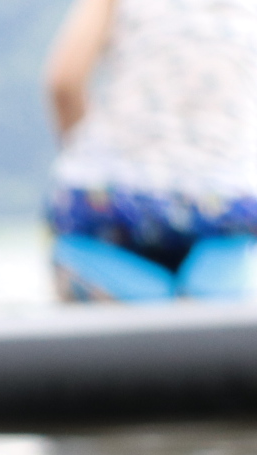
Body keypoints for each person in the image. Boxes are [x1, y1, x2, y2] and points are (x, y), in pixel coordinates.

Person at [44, 0, 257, 302]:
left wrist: (90, 165)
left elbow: (64, 84)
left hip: (111, 207)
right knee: (213, 319)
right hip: (221, 212)